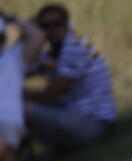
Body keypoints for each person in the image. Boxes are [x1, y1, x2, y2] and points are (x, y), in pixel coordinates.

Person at [22, 4, 115, 149]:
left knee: (20, 110)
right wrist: (29, 33)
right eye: (45, 26)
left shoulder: (73, 48)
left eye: (56, 24)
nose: (51, 30)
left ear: (66, 25)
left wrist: (18, 93)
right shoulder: (51, 53)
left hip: (90, 122)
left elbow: (49, 96)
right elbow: (19, 68)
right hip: (73, 117)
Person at [0, 9, 44, 161]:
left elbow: (37, 36)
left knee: (6, 144)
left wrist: (12, 18)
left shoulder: (13, 57)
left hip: (8, 119)